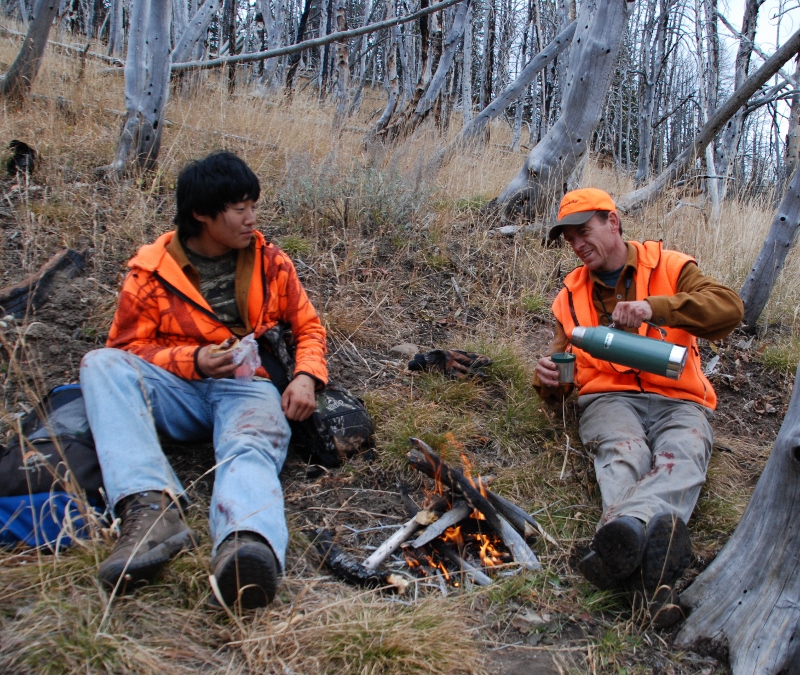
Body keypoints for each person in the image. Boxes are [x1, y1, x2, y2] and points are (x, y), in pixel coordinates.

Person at [80, 151, 327, 609]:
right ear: (201, 214)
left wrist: (306, 376)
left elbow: (308, 327)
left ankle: (245, 545)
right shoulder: (150, 274)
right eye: (240, 209)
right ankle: (151, 511)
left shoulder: (271, 262)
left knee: (251, 445)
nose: (252, 219)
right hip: (174, 390)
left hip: (246, 386)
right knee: (99, 364)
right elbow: (126, 348)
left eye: (254, 205)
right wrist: (191, 359)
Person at [534, 188, 743, 627]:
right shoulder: (569, 296)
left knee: (681, 455)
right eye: (569, 238)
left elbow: (728, 310)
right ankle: (650, 577)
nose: (577, 245)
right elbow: (559, 372)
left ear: (613, 222)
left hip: (679, 399)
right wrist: (547, 380)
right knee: (624, 452)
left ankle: (619, 546)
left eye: (583, 232)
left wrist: (655, 308)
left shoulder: (669, 266)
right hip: (608, 398)